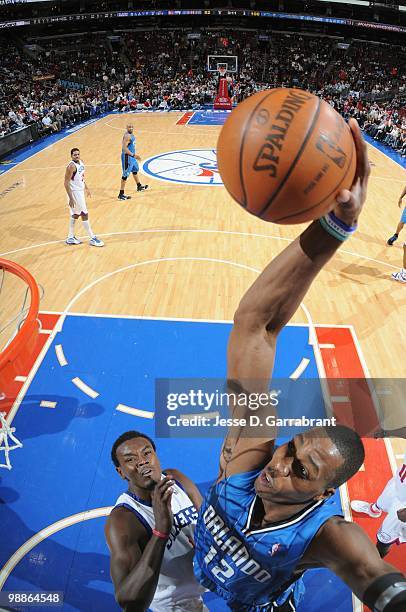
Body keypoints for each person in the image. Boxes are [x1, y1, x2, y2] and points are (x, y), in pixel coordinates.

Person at [193, 119, 406, 611]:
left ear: (325, 494)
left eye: (302, 471)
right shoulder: (251, 455)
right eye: (291, 449)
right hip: (199, 567)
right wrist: (336, 227)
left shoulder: (324, 536)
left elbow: (370, 571)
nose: (280, 465)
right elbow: (256, 325)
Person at [105, 431, 206, 611]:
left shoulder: (176, 479)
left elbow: (208, 521)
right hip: (176, 604)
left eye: (147, 453)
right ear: (121, 472)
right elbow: (128, 602)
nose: (142, 461)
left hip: (205, 585)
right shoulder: (123, 520)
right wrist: (161, 531)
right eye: (130, 459)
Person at [351, 452, 406, 557]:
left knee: (385, 538)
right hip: (399, 483)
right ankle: (374, 510)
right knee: (382, 501)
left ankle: (376, 560)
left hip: (403, 505)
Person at [64, 148, 104, 247]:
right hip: (74, 193)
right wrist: (71, 198)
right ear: (71, 156)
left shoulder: (81, 162)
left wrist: (86, 187)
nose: (77, 156)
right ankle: (92, 238)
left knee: (76, 214)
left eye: (78, 154)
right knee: (84, 213)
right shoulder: (71, 167)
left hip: (80, 191)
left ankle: (70, 237)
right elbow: (66, 183)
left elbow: (81, 177)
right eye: (74, 155)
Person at [118, 123, 149, 201]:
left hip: (132, 157)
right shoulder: (127, 136)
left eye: (132, 127)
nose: (131, 128)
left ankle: (139, 186)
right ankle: (121, 194)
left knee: (135, 170)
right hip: (127, 157)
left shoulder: (131, 135)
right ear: (126, 128)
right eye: (129, 127)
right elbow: (124, 148)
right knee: (125, 175)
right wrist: (134, 155)